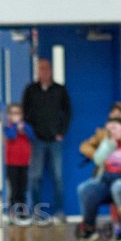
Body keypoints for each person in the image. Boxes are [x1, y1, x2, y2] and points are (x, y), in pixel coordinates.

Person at [22, 59, 71, 220]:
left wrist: (62, 131)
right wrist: (31, 132)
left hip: (55, 140)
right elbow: (25, 112)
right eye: (40, 68)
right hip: (37, 140)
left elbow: (68, 111)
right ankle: (37, 211)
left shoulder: (59, 90)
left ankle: (59, 211)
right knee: (35, 177)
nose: (44, 71)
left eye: (46, 68)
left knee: (58, 176)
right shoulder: (31, 90)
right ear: (37, 71)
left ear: (50, 70)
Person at [75, 117, 121, 241]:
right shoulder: (109, 142)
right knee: (85, 189)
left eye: (115, 128)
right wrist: (109, 144)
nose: (112, 131)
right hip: (107, 179)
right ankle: (89, 228)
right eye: (109, 129)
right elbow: (98, 160)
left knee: (116, 186)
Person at [3, 103, 35, 223]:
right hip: (12, 163)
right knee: (14, 190)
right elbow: (11, 136)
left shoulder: (27, 127)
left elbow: (32, 137)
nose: (16, 116)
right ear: (9, 115)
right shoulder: (8, 127)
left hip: (24, 163)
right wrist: (16, 126)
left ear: (22, 115)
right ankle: (12, 214)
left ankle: (22, 213)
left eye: (18, 113)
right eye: (13, 113)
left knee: (22, 190)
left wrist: (24, 128)